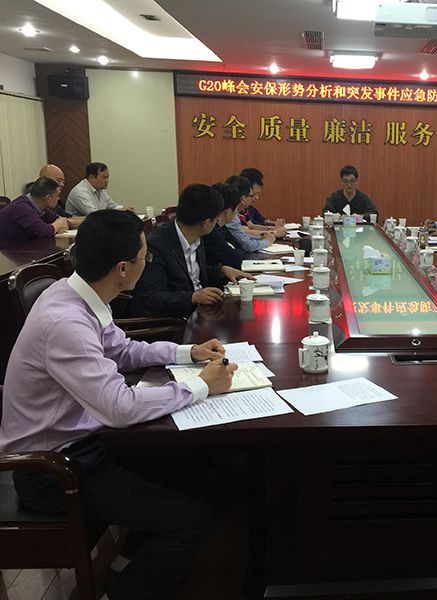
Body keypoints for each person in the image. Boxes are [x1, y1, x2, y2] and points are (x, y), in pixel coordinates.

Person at [0, 209, 237, 600]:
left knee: (190, 461)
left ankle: (125, 562)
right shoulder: (65, 321)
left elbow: (121, 350)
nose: (148, 262)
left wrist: (187, 352)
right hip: (55, 470)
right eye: (146, 257)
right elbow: (119, 408)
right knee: (193, 522)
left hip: (86, 444)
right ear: (123, 269)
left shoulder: (77, 294)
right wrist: (201, 386)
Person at [131, 184, 251, 317]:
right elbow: (152, 297)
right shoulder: (157, 245)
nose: (217, 222)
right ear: (206, 223)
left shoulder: (196, 235)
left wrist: (221, 271)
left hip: (201, 311)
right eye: (216, 219)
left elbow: (191, 273)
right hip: (175, 319)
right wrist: (193, 297)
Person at [0, 177, 76, 243]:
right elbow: (44, 232)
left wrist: (57, 224)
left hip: (22, 247)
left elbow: (60, 222)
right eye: (57, 196)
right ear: (48, 198)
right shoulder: (21, 208)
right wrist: (58, 224)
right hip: (6, 250)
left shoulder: (40, 206)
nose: (58, 198)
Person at [223, 175, 275, 251]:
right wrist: (266, 241)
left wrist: (263, 237)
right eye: (252, 195)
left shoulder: (235, 213)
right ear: (243, 199)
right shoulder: (230, 215)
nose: (255, 198)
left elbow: (243, 237)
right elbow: (246, 245)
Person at [202, 182, 246, 270]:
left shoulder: (222, 227)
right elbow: (235, 259)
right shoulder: (210, 231)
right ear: (228, 212)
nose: (237, 213)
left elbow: (240, 247)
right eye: (236, 209)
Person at [66, 162, 132, 216]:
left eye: (107, 177)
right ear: (91, 177)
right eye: (104, 177)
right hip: (76, 227)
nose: (107, 180)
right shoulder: (80, 192)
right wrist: (119, 212)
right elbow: (95, 215)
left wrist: (125, 210)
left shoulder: (100, 189)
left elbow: (113, 206)